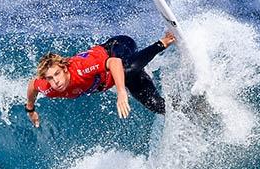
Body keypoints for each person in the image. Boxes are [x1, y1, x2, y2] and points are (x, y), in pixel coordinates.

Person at [25, 31, 177, 127]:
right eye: (50, 78)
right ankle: (189, 107)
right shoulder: (49, 88)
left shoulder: (81, 69)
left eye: (57, 74)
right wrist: (30, 109)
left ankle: (164, 42)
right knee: (158, 107)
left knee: (126, 68)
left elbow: (114, 62)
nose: (55, 81)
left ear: (64, 69)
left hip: (118, 46)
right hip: (122, 74)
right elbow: (33, 85)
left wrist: (121, 92)